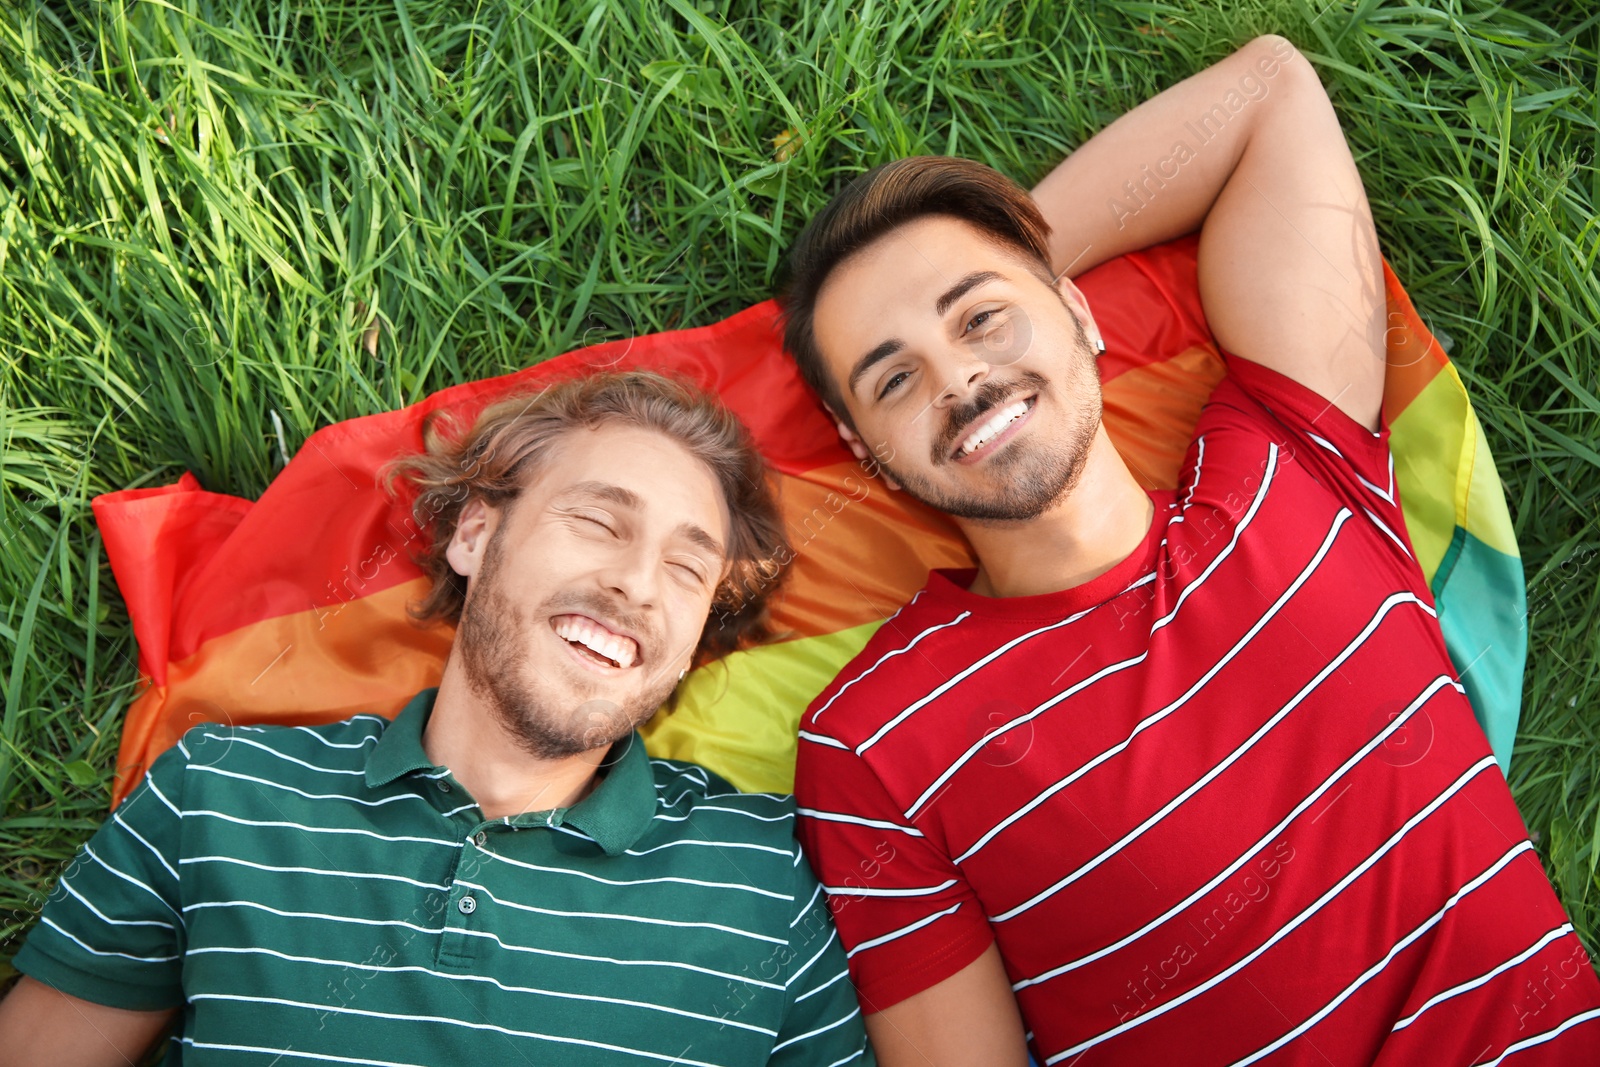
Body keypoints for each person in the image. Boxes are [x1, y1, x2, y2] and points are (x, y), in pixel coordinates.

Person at [781, 34, 1600, 1066]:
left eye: (980, 319)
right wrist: (1001, 299)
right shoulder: (875, 740)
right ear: (864, 451)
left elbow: (1269, 92)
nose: (957, 380)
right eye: (893, 378)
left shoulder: (1287, 465)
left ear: (1076, 308)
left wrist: (1013, 265)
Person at [0, 373, 874, 1066]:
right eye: (599, 521)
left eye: (688, 570)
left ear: (692, 644)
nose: (639, 583)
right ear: (475, 535)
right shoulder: (220, 793)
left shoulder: (773, 874)